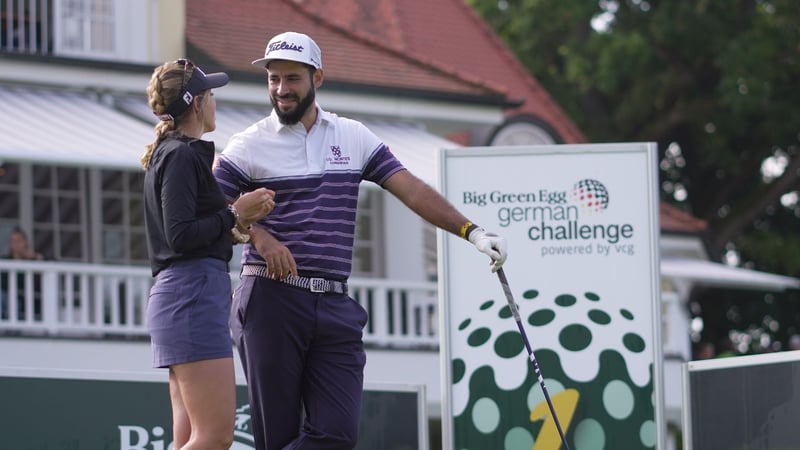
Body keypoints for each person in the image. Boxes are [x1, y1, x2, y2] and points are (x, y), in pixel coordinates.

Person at [213, 31, 508, 449]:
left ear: (318, 77)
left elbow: (412, 189)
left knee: (336, 435)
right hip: (270, 300)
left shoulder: (352, 136)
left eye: (292, 78)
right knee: (277, 437)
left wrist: (472, 232)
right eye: (274, 79)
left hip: (334, 305)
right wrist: (259, 237)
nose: (281, 89)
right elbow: (211, 204)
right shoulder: (249, 144)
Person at [141, 58, 275, 449]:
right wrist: (236, 212)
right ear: (196, 104)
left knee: (188, 438)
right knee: (214, 438)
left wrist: (238, 225)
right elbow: (180, 236)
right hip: (191, 295)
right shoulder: (181, 155)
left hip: (184, 294)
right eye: (211, 95)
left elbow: (189, 233)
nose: (215, 102)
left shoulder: (171, 153)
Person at [1, 226, 44, 320]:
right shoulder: (5, 261)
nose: (15, 244)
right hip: (7, 296)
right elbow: (4, 283)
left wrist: (35, 257)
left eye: (18, 240)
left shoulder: (32, 260)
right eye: (12, 241)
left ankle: (13, 332)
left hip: (25, 299)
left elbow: (52, 262)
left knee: (12, 302)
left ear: (25, 242)